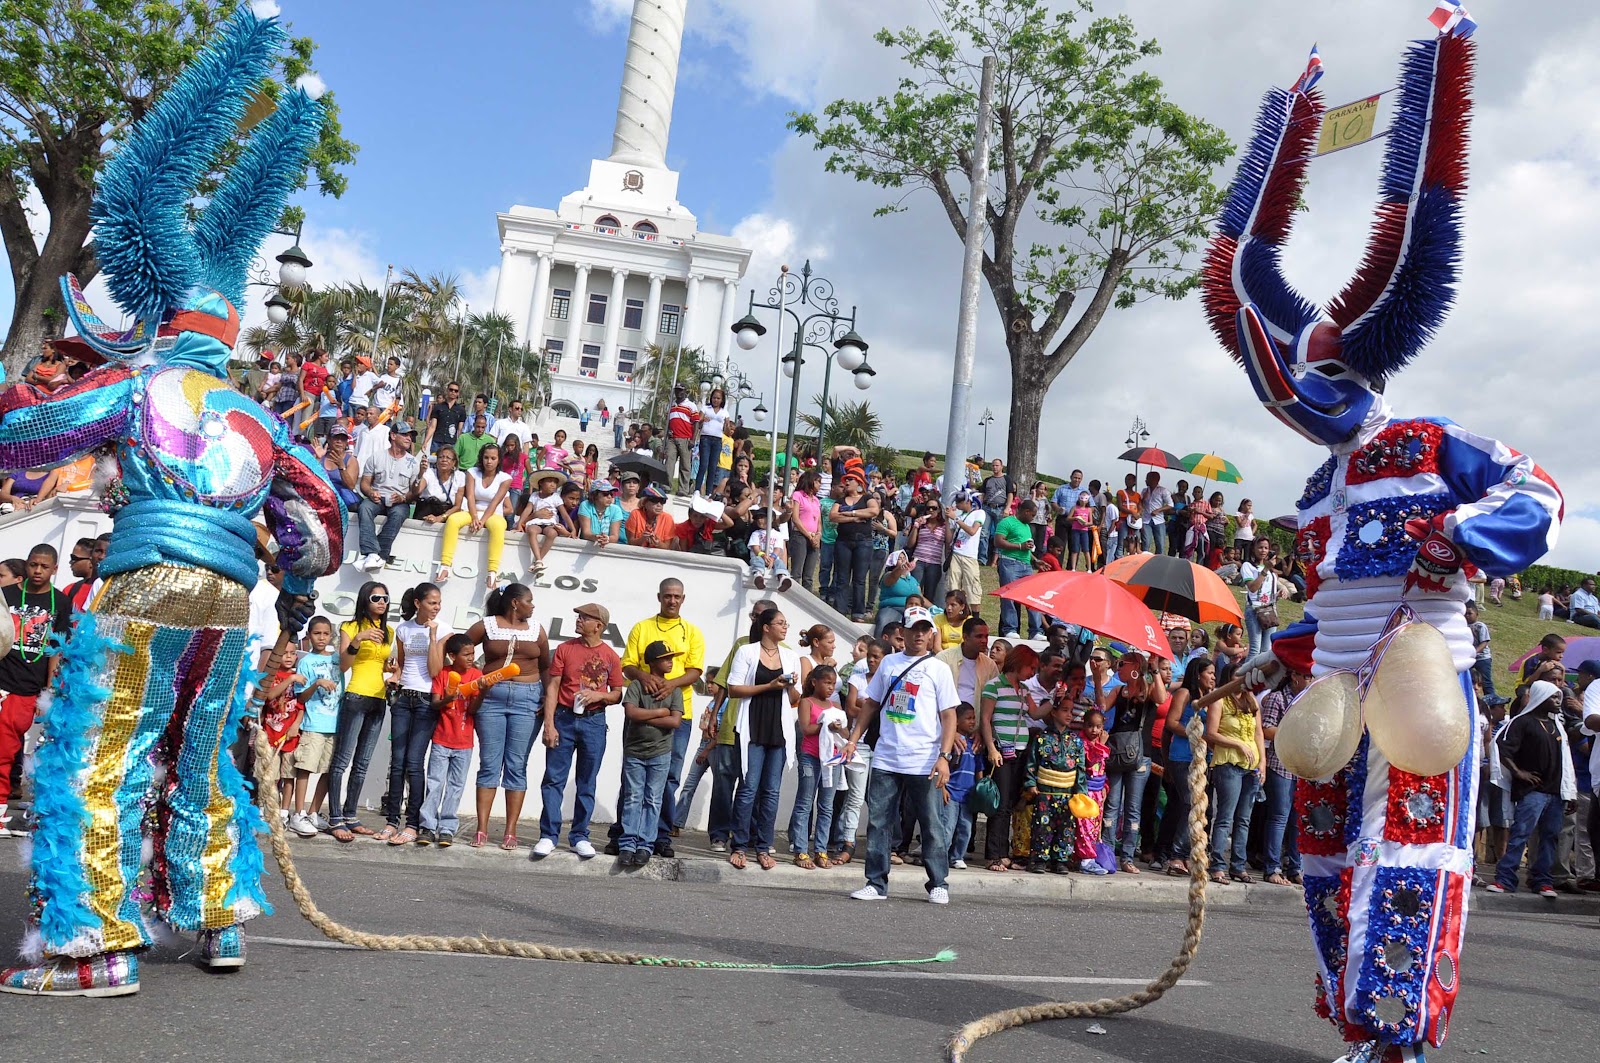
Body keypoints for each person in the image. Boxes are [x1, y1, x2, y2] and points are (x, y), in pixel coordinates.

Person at [844, 607, 961, 904]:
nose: (919, 634)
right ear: (903, 633)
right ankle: (875, 882)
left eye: (925, 629)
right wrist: (853, 740)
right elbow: (870, 705)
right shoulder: (889, 664)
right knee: (879, 822)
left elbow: (949, 716)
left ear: (931, 634)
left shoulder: (939, 669)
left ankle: (938, 883)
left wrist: (944, 756)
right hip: (887, 756)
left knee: (932, 823)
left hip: (924, 758)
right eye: (914, 629)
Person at [613, 579, 705, 858]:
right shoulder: (642, 627)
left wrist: (671, 683)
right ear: (659, 597)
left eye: (677, 596)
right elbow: (627, 664)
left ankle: (659, 836)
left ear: (683, 599)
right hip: (641, 709)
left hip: (680, 712)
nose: (672, 601)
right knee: (632, 779)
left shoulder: (692, 632)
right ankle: (623, 836)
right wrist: (645, 676)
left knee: (669, 779)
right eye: (667, 596)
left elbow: (696, 670)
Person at [535, 603, 624, 860]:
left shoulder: (610, 656)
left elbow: (617, 693)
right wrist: (549, 725)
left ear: (599, 625)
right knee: (553, 779)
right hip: (563, 717)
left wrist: (598, 694)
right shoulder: (565, 649)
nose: (578, 620)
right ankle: (548, 835)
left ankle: (580, 836)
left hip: (594, 722)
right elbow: (552, 687)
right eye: (579, 616)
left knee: (587, 782)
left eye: (585, 617)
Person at [465, 583, 549, 850]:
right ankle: (481, 829)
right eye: (529, 601)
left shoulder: (536, 629)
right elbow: (460, 648)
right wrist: (468, 680)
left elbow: (546, 666)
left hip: (528, 698)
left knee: (516, 764)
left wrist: (547, 697)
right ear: (515, 603)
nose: (532, 605)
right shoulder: (487, 625)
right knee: (489, 763)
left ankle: (510, 831)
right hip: (491, 697)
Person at [0, 546, 71, 834]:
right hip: (2, 677)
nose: (37, 571)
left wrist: (49, 689)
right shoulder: (7, 595)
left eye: (44, 566)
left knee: (7, 749)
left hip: (28, 687)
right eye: (32, 565)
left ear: (54, 569)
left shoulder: (61, 603)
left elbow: (56, 647)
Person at [725, 606, 802, 870]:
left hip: (778, 730)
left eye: (786, 623)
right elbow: (734, 689)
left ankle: (763, 845)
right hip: (753, 725)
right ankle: (739, 845)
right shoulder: (747, 651)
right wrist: (768, 686)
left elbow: (794, 700)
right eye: (780, 623)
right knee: (748, 789)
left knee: (771, 791)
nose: (784, 627)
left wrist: (789, 685)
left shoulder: (791, 657)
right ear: (766, 627)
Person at [1489, 681, 1575, 896]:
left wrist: (1570, 792)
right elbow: (1502, 747)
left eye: (1559, 698)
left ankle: (1542, 880)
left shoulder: (1557, 727)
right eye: (1554, 698)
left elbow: (1566, 761)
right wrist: (1518, 772)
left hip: (1555, 792)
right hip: (1532, 791)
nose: (1558, 702)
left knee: (1550, 836)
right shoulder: (1523, 722)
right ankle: (1505, 878)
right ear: (1541, 698)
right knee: (1521, 833)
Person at [327, 582, 396, 844]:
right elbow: (344, 664)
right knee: (342, 759)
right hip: (356, 695)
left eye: (385, 598)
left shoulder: (388, 630)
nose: (381, 602)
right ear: (365, 599)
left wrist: (393, 671)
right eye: (376, 597)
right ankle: (335, 817)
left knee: (363, 762)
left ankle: (351, 815)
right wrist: (358, 640)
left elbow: (383, 666)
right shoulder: (350, 627)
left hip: (378, 699)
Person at [381, 583, 444, 845]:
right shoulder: (403, 629)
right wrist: (392, 676)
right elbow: (403, 665)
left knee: (415, 763)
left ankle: (413, 822)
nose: (436, 607)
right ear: (418, 603)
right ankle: (391, 820)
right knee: (398, 761)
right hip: (404, 698)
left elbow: (434, 670)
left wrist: (432, 637)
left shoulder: (443, 629)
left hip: (426, 699)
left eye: (439, 603)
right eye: (432, 602)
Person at [616, 641, 684, 868]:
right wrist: (660, 712)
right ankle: (627, 844)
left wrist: (648, 715)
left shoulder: (674, 690)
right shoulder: (637, 685)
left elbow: (675, 721)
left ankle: (645, 845)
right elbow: (632, 713)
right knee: (633, 797)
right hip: (635, 751)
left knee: (653, 799)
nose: (670, 662)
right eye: (666, 658)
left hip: (660, 753)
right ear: (653, 662)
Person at [979, 644, 1043, 871]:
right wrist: (991, 748)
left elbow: (1035, 714)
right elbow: (985, 719)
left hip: (1020, 750)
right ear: (1019, 663)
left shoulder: (1023, 690)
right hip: (1001, 750)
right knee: (1001, 803)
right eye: (1031, 667)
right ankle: (994, 855)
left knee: (1012, 802)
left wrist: (1055, 700)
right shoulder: (994, 686)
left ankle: (1003, 853)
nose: (1033, 672)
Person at [1102, 651, 1166, 874]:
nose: (1117, 668)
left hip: (1141, 755)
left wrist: (1154, 669)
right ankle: (1108, 852)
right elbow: (1102, 706)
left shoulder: (1147, 689)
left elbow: (1161, 698)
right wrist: (1096, 676)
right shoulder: (1119, 690)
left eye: (1122, 664)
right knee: (1112, 805)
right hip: (1118, 753)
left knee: (1133, 808)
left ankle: (1128, 856)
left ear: (1135, 666)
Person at [418, 633, 481, 847]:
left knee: (456, 785)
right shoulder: (443, 674)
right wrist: (447, 698)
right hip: (441, 739)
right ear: (453, 656)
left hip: (464, 742)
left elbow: (472, 710)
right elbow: (434, 703)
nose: (471, 657)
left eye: (473, 653)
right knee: (435, 783)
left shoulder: (476, 675)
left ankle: (447, 827)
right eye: (466, 654)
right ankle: (427, 825)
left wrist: (481, 692)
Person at [1203, 671, 1264, 886]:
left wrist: (1262, 764)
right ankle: (1218, 865)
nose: (1244, 682)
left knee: (1244, 819)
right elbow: (1209, 733)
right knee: (1225, 817)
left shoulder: (1251, 699)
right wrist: (1236, 744)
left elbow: (1259, 734)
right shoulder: (1219, 700)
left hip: (1251, 766)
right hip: (1228, 762)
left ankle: (1238, 866)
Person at [1153, 657, 1210, 877]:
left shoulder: (1207, 697)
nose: (1213, 677)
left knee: (1179, 805)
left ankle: (1169, 851)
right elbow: (1171, 723)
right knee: (1189, 803)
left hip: (1200, 758)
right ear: (1198, 674)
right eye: (1210, 673)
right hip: (1181, 756)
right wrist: (1196, 733)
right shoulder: (1185, 693)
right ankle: (1176, 855)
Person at [286, 617, 342, 838]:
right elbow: (301, 696)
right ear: (309, 635)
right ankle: (298, 813)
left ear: (330, 636)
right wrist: (316, 683)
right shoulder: (306, 661)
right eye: (317, 633)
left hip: (335, 724)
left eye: (325, 633)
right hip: (314, 723)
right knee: (305, 768)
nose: (321, 638)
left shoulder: (338, 659)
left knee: (329, 771)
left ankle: (313, 812)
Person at [1023, 698, 1088, 875]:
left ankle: (1060, 860)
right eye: (1065, 710)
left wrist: (1080, 792)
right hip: (1045, 791)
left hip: (1067, 793)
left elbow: (1081, 767)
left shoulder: (1076, 741)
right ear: (1053, 712)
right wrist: (1031, 783)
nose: (1069, 715)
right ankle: (1039, 859)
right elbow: (1032, 763)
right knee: (1042, 827)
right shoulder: (1042, 738)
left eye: (1071, 711)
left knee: (1065, 828)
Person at [790, 664, 845, 869]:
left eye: (833, 684)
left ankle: (821, 850)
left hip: (832, 760)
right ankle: (801, 850)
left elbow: (846, 733)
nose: (831, 688)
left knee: (826, 806)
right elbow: (806, 728)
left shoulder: (836, 708)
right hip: (811, 756)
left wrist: (840, 728)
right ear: (815, 682)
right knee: (805, 803)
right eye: (827, 683)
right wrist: (826, 725)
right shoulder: (807, 702)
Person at [1258, 666, 1308, 886]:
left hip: (1301, 766)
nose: (1309, 679)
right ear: (1294, 675)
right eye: (1305, 675)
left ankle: (1295, 867)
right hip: (1279, 764)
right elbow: (1267, 728)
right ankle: (1272, 867)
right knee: (1279, 817)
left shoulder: (1309, 700)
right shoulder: (1276, 698)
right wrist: (1294, 733)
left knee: (1298, 820)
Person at [438, 443, 511, 588]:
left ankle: (492, 573)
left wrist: (482, 521)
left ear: (499, 460)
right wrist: (475, 517)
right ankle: (445, 566)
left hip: (493, 513)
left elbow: (495, 502)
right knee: (453, 520)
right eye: (486, 457)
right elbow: (470, 496)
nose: (488, 462)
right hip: (471, 511)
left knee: (498, 526)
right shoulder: (472, 472)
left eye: (493, 458)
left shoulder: (505, 478)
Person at [355, 420, 420, 572]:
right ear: (393, 435)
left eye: (410, 436)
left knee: (398, 514)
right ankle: (372, 552)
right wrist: (371, 493)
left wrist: (403, 498)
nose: (409, 438)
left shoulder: (413, 462)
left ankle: (377, 555)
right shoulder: (376, 457)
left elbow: (414, 493)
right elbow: (364, 483)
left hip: (400, 501)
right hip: (377, 498)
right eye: (405, 435)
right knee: (364, 508)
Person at [831, 469, 880, 622]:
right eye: (846, 479)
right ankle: (840, 610)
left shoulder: (867, 497)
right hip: (843, 541)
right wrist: (856, 518)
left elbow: (874, 510)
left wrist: (850, 513)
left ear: (859, 482)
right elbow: (833, 516)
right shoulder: (840, 500)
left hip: (863, 541)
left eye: (850, 479)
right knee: (842, 577)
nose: (846, 482)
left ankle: (858, 612)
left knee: (859, 579)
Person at [942, 702, 981, 869]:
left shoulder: (975, 744)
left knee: (965, 827)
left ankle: (957, 856)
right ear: (956, 721)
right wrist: (942, 788)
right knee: (948, 827)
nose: (972, 722)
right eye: (968, 718)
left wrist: (980, 788)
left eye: (974, 718)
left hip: (968, 794)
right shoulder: (950, 742)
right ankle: (940, 856)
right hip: (951, 792)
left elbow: (979, 768)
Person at [992, 500, 1037, 637]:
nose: (1033, 518)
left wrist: (1036, 560)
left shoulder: (1026, 526)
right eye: (1033, 515)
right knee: (1009, 597)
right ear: (1026, 512)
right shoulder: (1007, 522)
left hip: (1026, 564)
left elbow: (1026, 547)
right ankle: (1010, 629)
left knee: (1032, 598)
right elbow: (998, 541)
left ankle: (1035, 631)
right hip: (1010, 563)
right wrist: (1019, 547)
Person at [938, 615, 998, 708]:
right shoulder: (944, 659)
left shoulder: (990, 665)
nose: (984, 641)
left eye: (986, 636)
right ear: (965, 637)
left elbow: (994, 697)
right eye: (979, 636)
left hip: (976, 720)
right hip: (947, 719)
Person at [521, 470, 566, 574]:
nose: (553, 485)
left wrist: (572, 530)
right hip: (536, 521)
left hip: (550, 523)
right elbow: (527, 510)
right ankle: (538, 560)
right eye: (550, 481)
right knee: (532, 531)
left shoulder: (556, 497)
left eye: (555, 482)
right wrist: (520, 523)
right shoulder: (534, 496)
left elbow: (564, 514)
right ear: (541, 483)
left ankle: (537, 561)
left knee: (552, 533)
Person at [1240, 537, 1279, 657]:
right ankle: (1243, 675)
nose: (1263, 550)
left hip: (1270, 610)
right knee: (1255, 649)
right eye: (1260, 547)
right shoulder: (1248, 566)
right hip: (1254, 609)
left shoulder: (1272, 571)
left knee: (1266, 650)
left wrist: (1279, 594)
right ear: (1253, 549)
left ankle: (1258, 675)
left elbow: (1267, 593)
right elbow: (1252, 588)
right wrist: (1265, 569)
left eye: (1266, 548)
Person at [944, 491, 985, 604]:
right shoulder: (958, 516)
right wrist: (948, 519)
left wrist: (956, 519)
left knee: (972, 588)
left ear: (968, 501)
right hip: (956, 554)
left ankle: (975, 617)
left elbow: (972, 531)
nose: (957, 504)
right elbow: (948, 540)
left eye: (959, 502)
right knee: (952, 587)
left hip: (969, 556)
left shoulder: (979, 513)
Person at [787, 471, 823, 592]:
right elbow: (796, 518)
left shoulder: (817, 500)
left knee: (808, 576)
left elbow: (818, 521)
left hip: (814, 536)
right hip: (800, 536)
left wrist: (818, 535)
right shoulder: (798, 495)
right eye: (817, 481)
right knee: (797, 571)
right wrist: (808, 535)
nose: (819, 485)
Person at [978, 459, 1015, 565]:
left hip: (1001, 508)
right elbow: (982, 494)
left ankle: (996, 560)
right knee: (984, 533)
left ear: (1001, 466)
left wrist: (1007, 508)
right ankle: (982, 559)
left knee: (1000, 534)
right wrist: (979, 506)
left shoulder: (1007, 479)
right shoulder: (987, 480)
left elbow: (1010, 494)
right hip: (987, 508)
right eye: (993, 465)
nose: (995, 467)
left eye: (997, 465)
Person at [414, 446, 464, 524]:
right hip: (426, 512)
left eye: (448, 458)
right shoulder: (429, 472)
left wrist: (440, 518)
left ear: (454, 462)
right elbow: (416, 491)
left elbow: (457, 506)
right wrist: (420, 474)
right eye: (441, 457)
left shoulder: (460, 476)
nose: (444, 460)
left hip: (447, 515)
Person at [876, 549, 920, 635]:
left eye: (904, 558)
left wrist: (933, 607)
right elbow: (893, 577)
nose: (903, 560)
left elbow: (920, 597)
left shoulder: (913, 580)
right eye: (900, 558)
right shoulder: (888, 575)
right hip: (892, 608)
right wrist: (900, 569)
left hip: (912, 610)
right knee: (884, 622)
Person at [693, 387, 728, 494]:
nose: (716, 400)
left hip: (717, 440)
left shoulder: (724, 412)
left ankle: (708, 492)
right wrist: (703, 420)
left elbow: (727, 431)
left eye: (718, 398)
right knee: (703, 465)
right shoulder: (705, 408)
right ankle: (697, 490)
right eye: (714, 398)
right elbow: (698, 423)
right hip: (706, 438)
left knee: (712, 467)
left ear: (722, 400)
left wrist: (726, 425)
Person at [1464, 602, 1500, 705]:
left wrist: (1474, 652)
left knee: (1486, 681)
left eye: (1470, 613)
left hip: (1482, 658)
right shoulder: (1463, 627)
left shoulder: (1480, 626)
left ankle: (1492, 703)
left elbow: (1484, 642)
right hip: (1469, 658)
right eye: (1465, 613)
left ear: (1477, 614)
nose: (1467, 615)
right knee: (1470, 679)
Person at [664, 384, 697, 493]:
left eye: (681, 390)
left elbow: (696, 423)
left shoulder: (691, 405)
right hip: (672, 438)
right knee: (669, 463)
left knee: (685, 465)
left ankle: (683, 489)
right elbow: (669, 421)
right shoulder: (671, 405)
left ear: (685, 391)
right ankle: (666, 486)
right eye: (677, 390)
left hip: (685, 438)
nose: (679, 392)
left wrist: (693, 439)